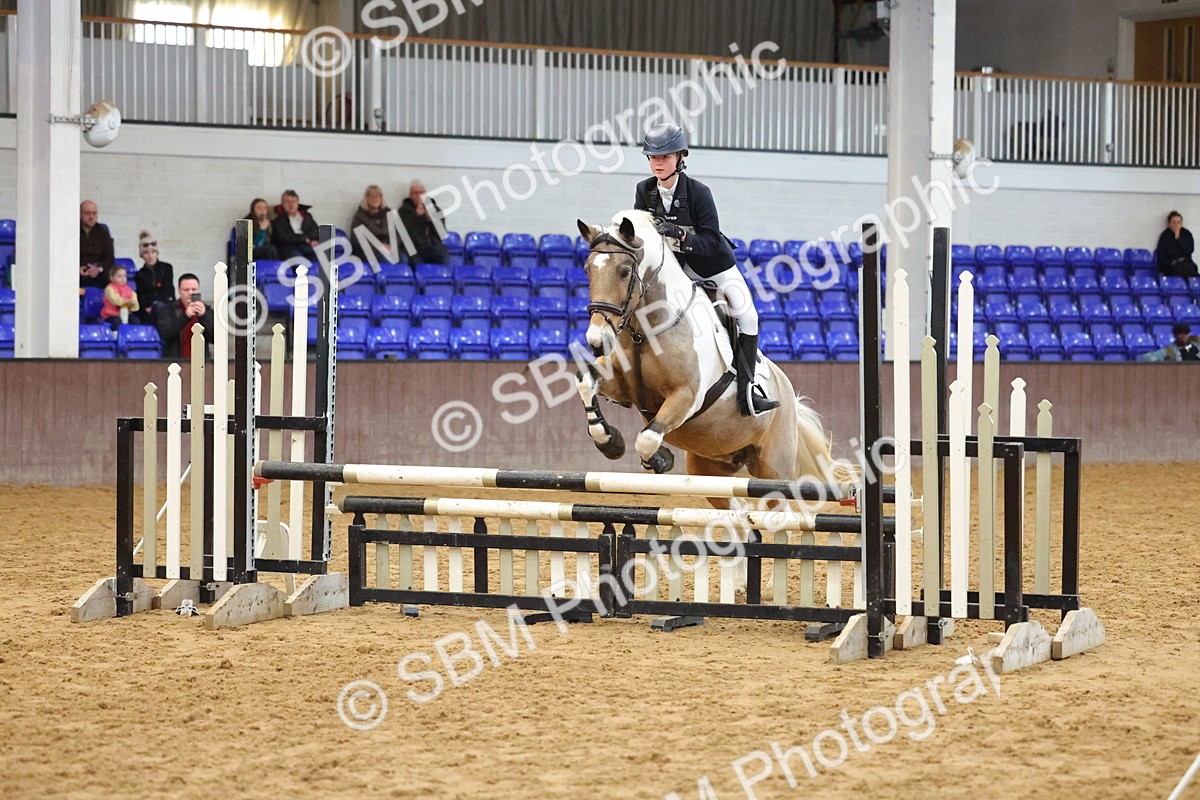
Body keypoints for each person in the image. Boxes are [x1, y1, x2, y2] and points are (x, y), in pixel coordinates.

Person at [633, 123, 778, 416]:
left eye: (665, 157)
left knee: (748, 316)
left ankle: (748, 391)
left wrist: (679, 234)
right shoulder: (644, 191)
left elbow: (711, 242)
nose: (658, 163)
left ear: (680, 158)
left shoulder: (699, 192)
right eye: (654, 157)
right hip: (676, 272)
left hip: (713, 266)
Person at [153, 273, 213, 358]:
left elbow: (214, 338)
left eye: (194, 289)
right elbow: (165, 335)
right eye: (186, 290)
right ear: (179, 291)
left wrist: (204, 316)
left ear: (198, 290)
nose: (190, 293)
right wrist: (186, 316)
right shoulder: (168, 310)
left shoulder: (206, 310)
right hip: (175, 360)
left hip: (200, 361)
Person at [398, 180, 449, 265]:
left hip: (432, 246)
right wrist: (416, 216)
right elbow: (404, 233)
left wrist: (431, 220)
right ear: (410, 195)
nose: (418, 195)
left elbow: (441, 233)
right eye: (415, 193)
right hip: (413, 248)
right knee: (417, 263)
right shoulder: (403, 211)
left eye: (421, 192)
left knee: (444, 255)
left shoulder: (435, 209)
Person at [132, 231, 174, 325]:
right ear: (142, 256)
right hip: (149, 308)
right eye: (146, 253)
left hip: (166, 304)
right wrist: (147, 305)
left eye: (153, 252)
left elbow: (168, 289)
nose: (150, 256)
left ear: (157, 253)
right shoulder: (140, 274)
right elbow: (142, 294)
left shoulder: (166, 268)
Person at [350, 185, 398, 264]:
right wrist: (379, 246)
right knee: (386, 259)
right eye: (371, 196)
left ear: (381, 197)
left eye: (377, 196)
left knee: (403, 258)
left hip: (389, 249)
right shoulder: (359, 216)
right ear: (366, 198)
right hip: (370, 252)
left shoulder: (388, 213)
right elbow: (356, 240)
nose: (375, 199)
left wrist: (392, 245)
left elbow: (397, 233)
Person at [270, 190, 320, 261]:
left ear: (298, 203)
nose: (291, 204)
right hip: (289, 248)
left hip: (307, 246)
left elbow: (316, 231)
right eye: (287, 202)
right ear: (282, 204)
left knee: (323, 258)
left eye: (293, 201)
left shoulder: (306, 216)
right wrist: (304, 239)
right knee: (298, 260)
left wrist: (313, 240)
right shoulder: (278, 219)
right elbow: (282, 237)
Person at [79, 199, 115, 290]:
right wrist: (77, 269)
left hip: (99, 274)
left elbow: (109, 258)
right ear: (80, 214)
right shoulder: (72, 230)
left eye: (94, 213)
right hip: (77, 275)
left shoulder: (103, 232)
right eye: (87, 213)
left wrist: (98, 269)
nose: (91, 217)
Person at [1155, 211, 1198, 278]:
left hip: (1186, 263)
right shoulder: (1165, 236)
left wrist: (1178, 238)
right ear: (1169, 224)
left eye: (1179, 222)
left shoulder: (1186, 234)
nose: (1176, 224)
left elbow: (1190, 250)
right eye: (1174, 222)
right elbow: (1162, 254)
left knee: (1191, 268)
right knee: (1180, 268)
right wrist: (1171, 262)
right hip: (1171, 265)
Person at [100, 264, 139, 330]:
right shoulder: (109, 289)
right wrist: (128, 302)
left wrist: (132, 303)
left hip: (125, 314)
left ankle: (134, 336)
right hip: (111, 315)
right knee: (117, 321)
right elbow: (116, 301)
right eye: (119, 276)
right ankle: (116, 335)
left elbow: (135, 306)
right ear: (111, 278)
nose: (123, 278)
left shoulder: (130, 290)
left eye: (125, 276)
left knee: (135, 320)